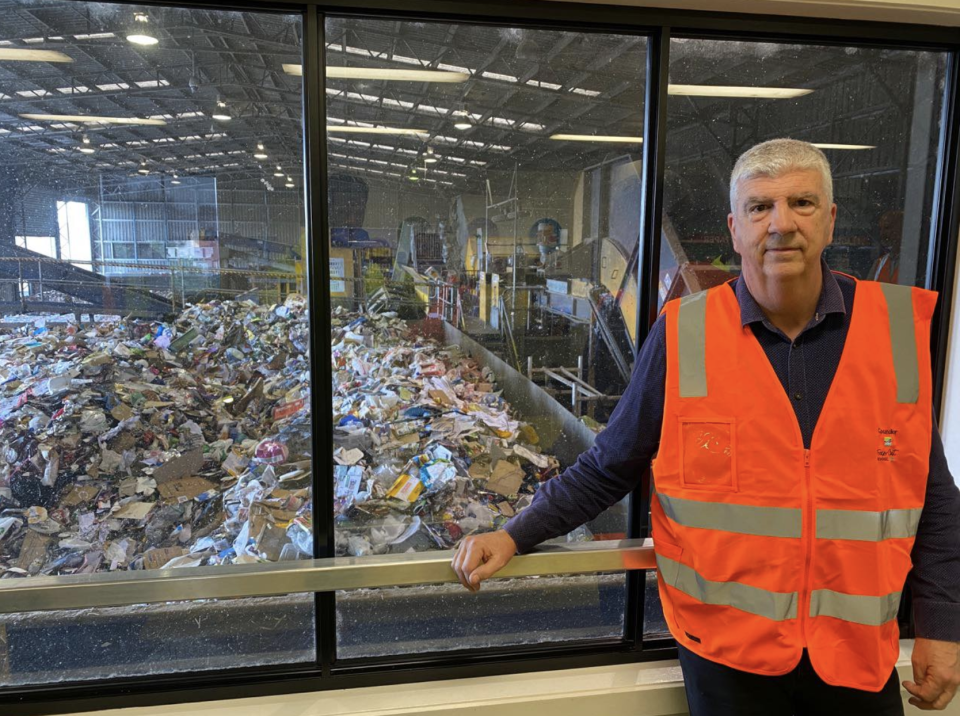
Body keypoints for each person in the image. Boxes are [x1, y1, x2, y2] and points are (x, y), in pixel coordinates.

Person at [452, 139, 960, 715]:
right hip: (728, 659)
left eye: (802, 203)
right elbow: (608, 466)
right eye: (759, 207)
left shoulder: (892, 333)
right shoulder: (684, 336)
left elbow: (932, 496)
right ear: (735, 228)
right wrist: (514, 533)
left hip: (857, 658)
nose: (781, 224)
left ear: (831, 218)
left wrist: (944, 625)